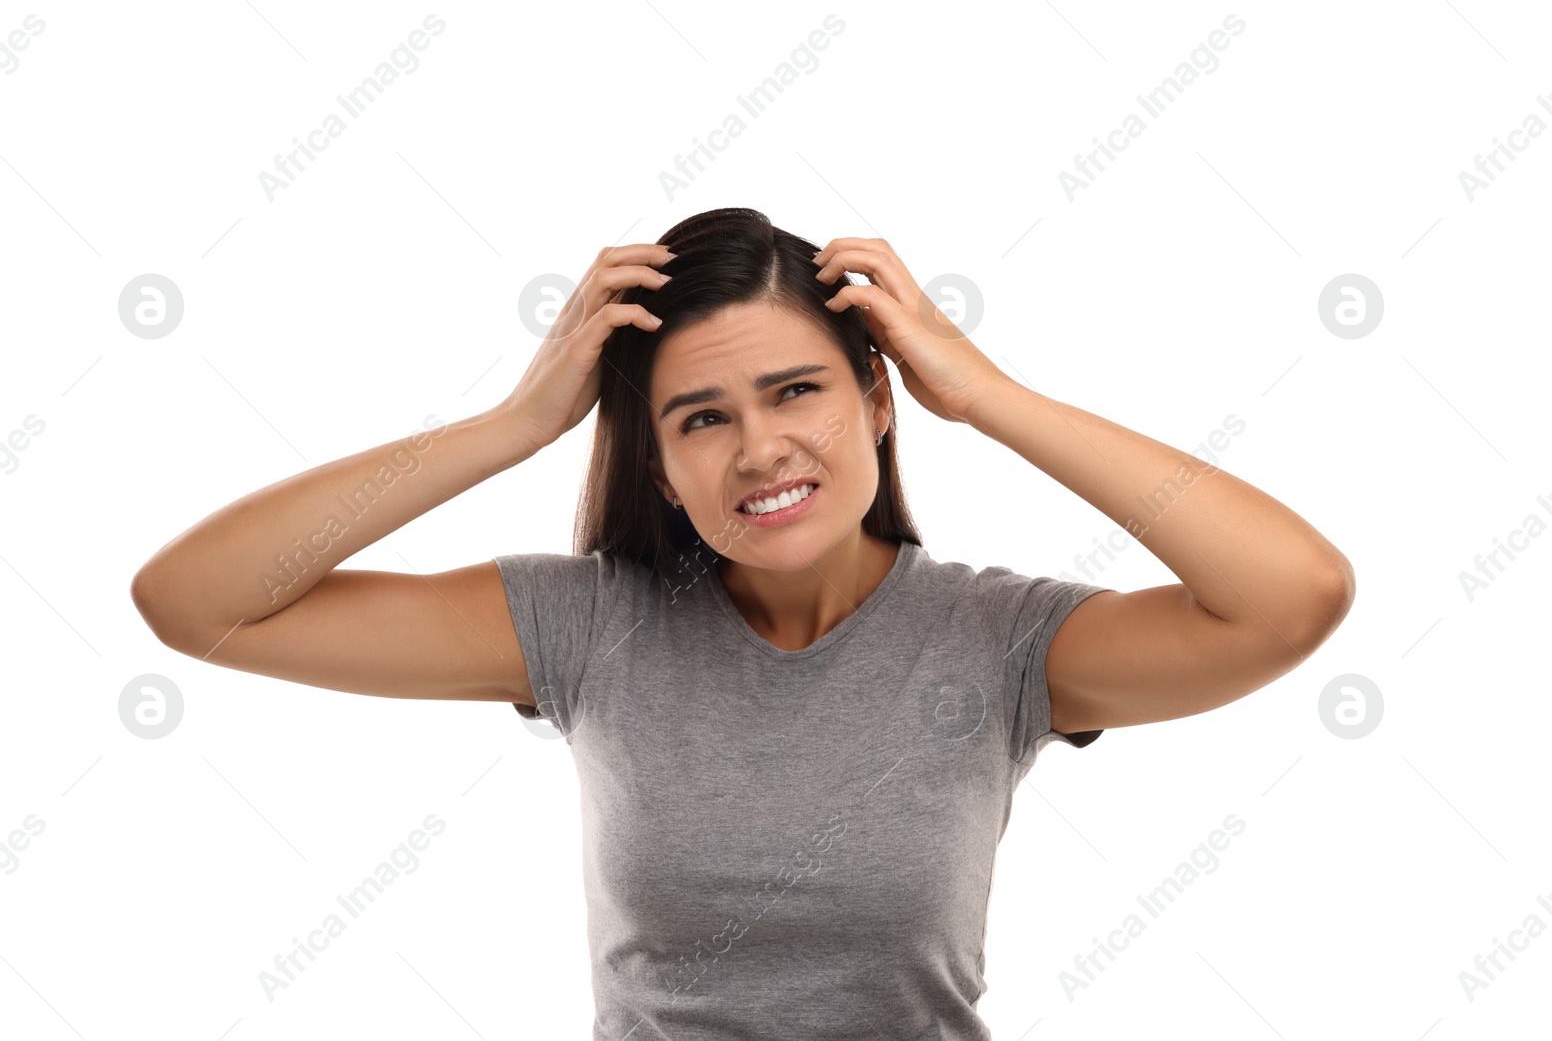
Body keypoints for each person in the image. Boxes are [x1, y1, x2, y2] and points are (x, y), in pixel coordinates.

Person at [130, 206, 1355, 1038]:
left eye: (796, 390)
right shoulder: (587, 625)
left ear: (877, 399)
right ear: (661, 465)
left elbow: (1290, 594)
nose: (760, 446)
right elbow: (196, 601)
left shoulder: (1001, 644)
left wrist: (985, 393)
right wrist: (508, 427)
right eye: (702, 417)